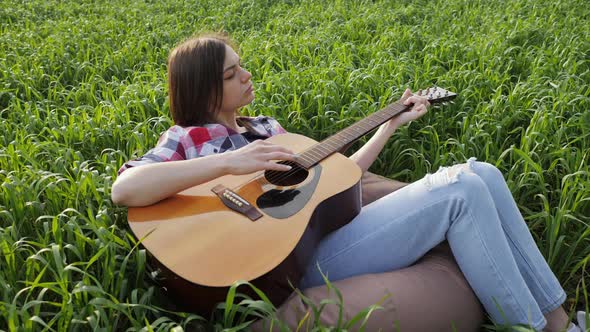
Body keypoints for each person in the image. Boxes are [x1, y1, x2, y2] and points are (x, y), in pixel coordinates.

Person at [111, 33, 587, 332]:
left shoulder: (269, 129)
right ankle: (532, 327)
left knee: (483, 172)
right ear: (204, 88)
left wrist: (389, 125)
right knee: (461, 189)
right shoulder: (186, 138)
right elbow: (126, 189)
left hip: (321, 241)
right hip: (284, 267)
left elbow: (340, 180)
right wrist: (229, 164)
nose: (247, 76)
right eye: (232, 73)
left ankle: (559, 321)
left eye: (243, 66)